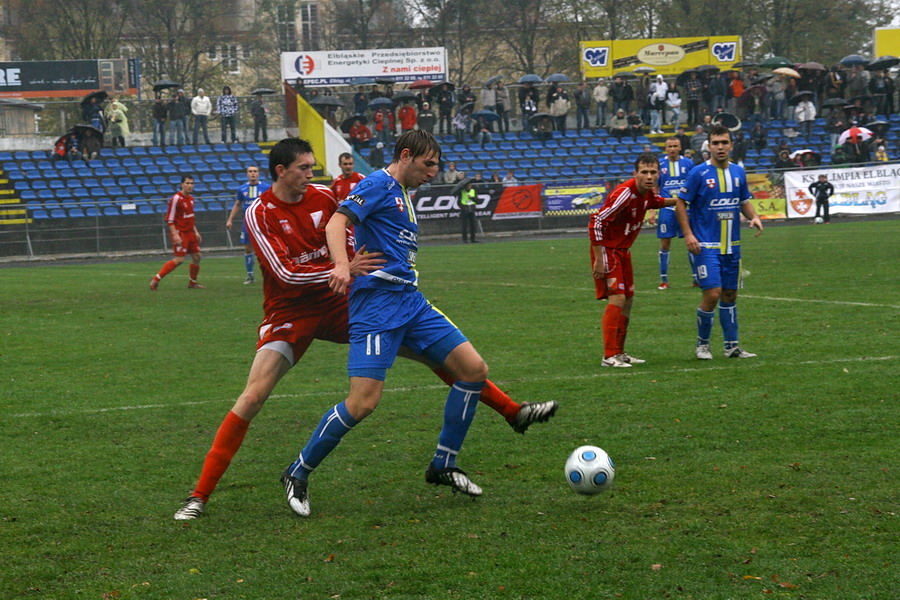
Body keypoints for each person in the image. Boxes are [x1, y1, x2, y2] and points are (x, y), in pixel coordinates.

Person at [172, 138, 558, 520]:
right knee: (254, 396)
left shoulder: (324, 196)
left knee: (440, 357)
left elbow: (354, 236)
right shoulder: (260, 211)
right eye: (304, 168)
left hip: (348, 301)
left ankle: (509, 413)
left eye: (311, 167)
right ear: (281, 171)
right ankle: (199, 496)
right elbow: (284, 272)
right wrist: (340, 268)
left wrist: (355, 265)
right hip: (292, 310)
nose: (311, 174)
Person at [675, 124, 763, 360]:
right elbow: (681, 203)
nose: (720, 147)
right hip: (706, 246)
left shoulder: (738, 173)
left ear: (731, 145)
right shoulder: (698, 173)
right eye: (716, 143)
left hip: (732, 246)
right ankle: (702, 345)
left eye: (724, 142)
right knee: (713, 293)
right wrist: (689, 235)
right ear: (709, 146)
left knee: (730, 295)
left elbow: (743, 200)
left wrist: (753, 216)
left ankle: (731, 346)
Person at [589, 153, 675, 368]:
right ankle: (609, 356)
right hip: (609, 250)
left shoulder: (646, 194)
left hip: (623, 251)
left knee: (628, 300)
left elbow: (658, 202)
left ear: (658, 173)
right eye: (644, 172)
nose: (649, 176)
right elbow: (596, 221)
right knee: (617, 298)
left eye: (653, 172)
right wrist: (599, 259)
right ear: (635, 173)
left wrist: (683, 200)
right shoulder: (625, 193)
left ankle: (619, 352)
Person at [652, 137, 696, 290]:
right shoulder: (660, 164)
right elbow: (655, 189)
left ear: (680, 147)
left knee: (691, 242)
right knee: (665, 243)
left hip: (685, 208)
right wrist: (652, 211)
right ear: (666, 148)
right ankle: (664, 280)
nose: (672, 149)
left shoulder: (688, 163)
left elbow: (694, 185)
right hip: (666, 209)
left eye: (675, 146)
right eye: (669, 146)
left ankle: (696, 278)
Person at [150, 175, 204, 290]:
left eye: (192, 183)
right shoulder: (176, 198)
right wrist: (175, 235)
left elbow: (190, 217)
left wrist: (196, 232)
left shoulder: (191, 199)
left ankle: (192, 283)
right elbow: (170, 218)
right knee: (179, 259)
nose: (190, 186)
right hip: (181, 233)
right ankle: (156, 279)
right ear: (182, 184)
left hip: (190, 232)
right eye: (188, 183)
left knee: (197, 256)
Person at [226, 165, 271, 284]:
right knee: (247, 248)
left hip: (262, 222)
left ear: (258, 174)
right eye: (250, 171)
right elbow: (237, 204)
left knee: (264, 249)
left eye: (255, 171)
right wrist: (230, 219)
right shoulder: (242, 189)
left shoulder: (266, 187)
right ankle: (250, 275)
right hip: (247, 222)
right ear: (247, 174)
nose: (253, 173)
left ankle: (269, 274)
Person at [459, 179, 478, 243]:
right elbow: (459, 201)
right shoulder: (462, 192)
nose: (469, 187)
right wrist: (462, 207)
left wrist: (471, 197)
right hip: (465, 210)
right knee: (464, 225)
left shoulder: (473, 191)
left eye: (470, 185)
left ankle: (473, 239)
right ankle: (465, 239)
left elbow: (477, 200)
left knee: (473, 225)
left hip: (472, 210)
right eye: (468, 186)